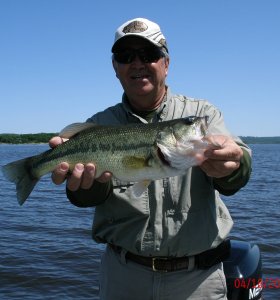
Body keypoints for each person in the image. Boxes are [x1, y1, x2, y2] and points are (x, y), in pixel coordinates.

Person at [50, 18, 251, 300]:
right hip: (124, 276)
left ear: (166, 64)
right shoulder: (98, 125)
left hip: (197, 280)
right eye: (125, 56)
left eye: (149, 55)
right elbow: (87, 197)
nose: (137, 63)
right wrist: (86, 186)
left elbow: (235, 173)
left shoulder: (202, 113)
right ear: (115, 68)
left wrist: (233, 167)